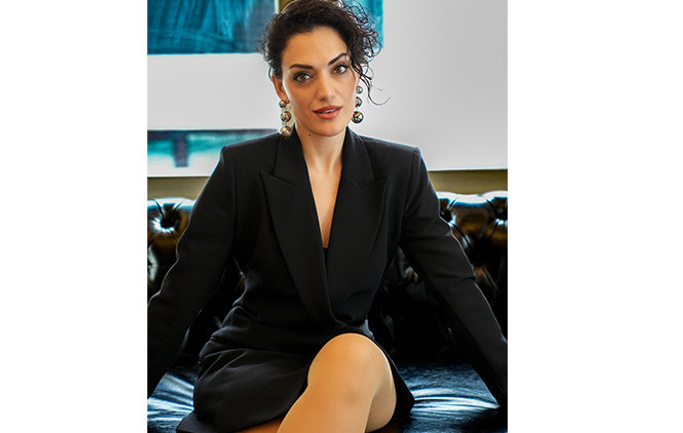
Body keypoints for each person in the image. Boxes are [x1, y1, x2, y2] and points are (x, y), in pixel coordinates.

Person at [147, 1, 507, 432]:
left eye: (338, 69)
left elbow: (457, 293)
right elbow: (179, 298)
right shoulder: (242, 170)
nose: (326, 91)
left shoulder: (400, 170)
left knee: (350, 354)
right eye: (303, 75)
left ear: (356, 73)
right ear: (280, 86)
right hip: (252, 367)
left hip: (355, 368)